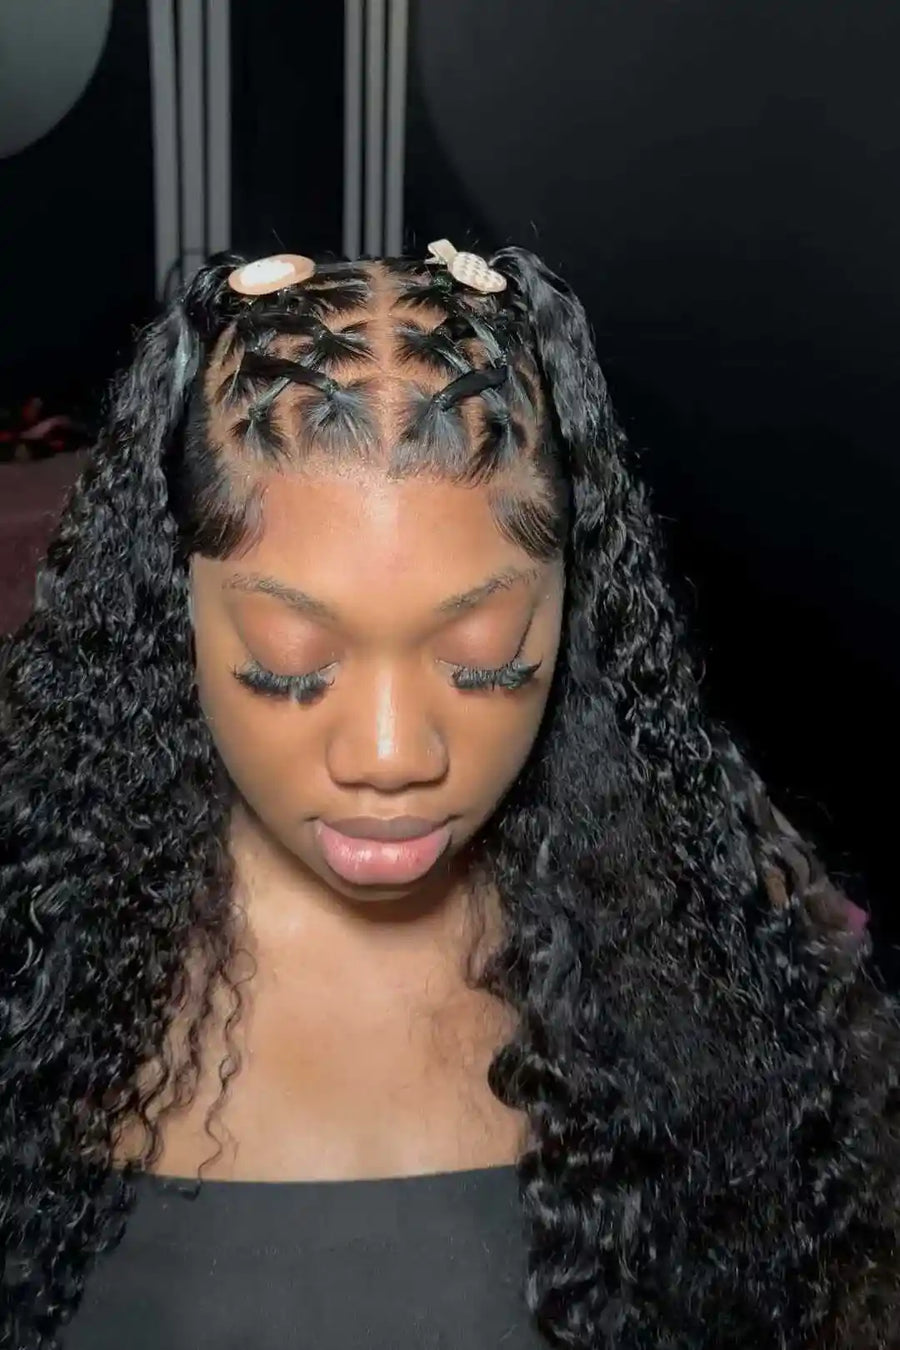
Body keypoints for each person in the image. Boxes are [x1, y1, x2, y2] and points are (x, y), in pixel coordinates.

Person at [0, 239, 897, 1350]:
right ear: (170, 609)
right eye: (290, 663)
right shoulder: (27, 963)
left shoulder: (723, 943)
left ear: (574, 614)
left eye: (485, 658)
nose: (391, 754)